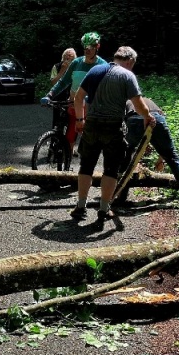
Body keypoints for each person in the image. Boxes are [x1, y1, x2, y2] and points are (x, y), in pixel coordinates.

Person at [70, 46, 156, 229]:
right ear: (130, 61)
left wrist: (79, 120)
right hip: (113, 126)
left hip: (92, 124)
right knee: (110, 168)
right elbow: (139, 106)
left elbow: (79, 98)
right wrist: (148, 116)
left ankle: (80, 206)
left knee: (86, 165)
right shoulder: (127, 76)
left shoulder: (95, 70)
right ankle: (103, 208)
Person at [42, 32, 107, 150]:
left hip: (91, 109)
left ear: (97, 47)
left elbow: (107, 88)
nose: (87, 50)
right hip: (73, 106)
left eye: (90, 48)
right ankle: (67, 162)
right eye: (85, 48)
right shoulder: (76, 63)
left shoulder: (103, 65)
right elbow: (63, 82)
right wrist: (50, 94)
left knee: (89, 142)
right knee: (69, 139)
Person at [122, 97, 179, 190]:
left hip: (135, 118)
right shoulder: (149, 101)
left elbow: (126, 124)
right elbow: (158, 126)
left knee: (127, 151)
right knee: (171, 156)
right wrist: (161, 158)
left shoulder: (127, 101)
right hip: (157, 118)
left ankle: (119, 181)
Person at [47, 47, 77, 129]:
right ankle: (54, 140)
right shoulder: (56, 66)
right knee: (56, 122)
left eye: (71, 56)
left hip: (71, 98)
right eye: (66, 56)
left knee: (70, 123)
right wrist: (62, 71)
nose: (68, 58)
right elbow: (53, 82)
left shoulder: (76, 67)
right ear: (63, 58)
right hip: (58, 98)